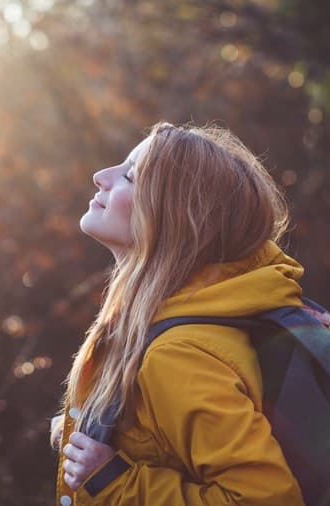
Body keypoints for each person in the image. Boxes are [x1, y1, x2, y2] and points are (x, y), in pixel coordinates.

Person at [50, 121, 306, 505]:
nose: (101, 176)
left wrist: (115, 484)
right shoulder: (178, 319)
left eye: (131, 177)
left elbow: (266, 499)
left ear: (172, 217)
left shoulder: (178, 355)